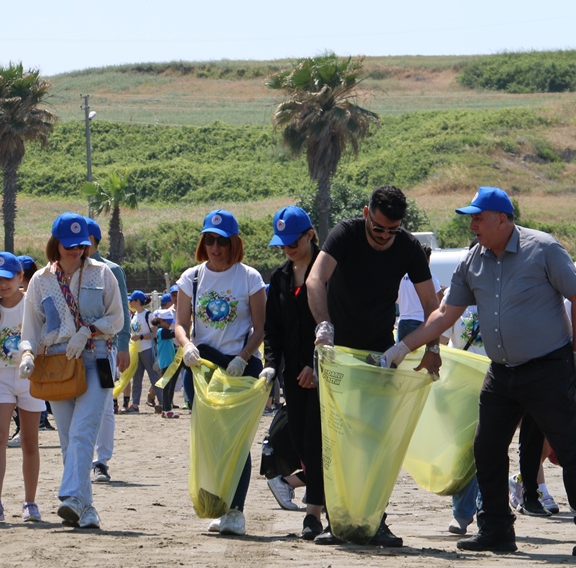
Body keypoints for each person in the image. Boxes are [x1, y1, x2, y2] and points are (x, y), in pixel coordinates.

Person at [390, 186, 576, 557]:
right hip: (501, 372)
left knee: (570, 448)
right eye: (471, 218)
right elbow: (446, 314)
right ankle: (496, 529)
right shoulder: (471, 261)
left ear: (503, 219)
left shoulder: (543, 249)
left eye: (478, 218)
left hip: (548, 369)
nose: (473, 225)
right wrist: (402, 347)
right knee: (486, 447)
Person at [307, 185, 440, 548]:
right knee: (336, 441)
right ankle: (337, 521)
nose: (383, 237)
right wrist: (324, 326)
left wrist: (432, 348)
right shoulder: (346, 234)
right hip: (337, 352)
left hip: (380, 356)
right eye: (378, 228)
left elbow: (433, 305)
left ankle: (375, 519)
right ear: (367, 214)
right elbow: (315, 279)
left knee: (375, 442)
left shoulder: (408, 247)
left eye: (391, 230)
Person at [18, 213, 125, 529]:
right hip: (55, 365)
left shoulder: (103, 273)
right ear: (55, 244)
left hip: (96, 359)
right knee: (68, 438)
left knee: (82, 431)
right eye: (69, 246)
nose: (76, 251)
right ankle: (85, 507)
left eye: (81, 245)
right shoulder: (40, 280)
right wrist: (26, 354)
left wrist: (88, 331)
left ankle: (68, 497)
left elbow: (117, 319)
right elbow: (31, 328)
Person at [174, 209, 267, 537]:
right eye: (210, 240)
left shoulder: (249, 278)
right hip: (202, 368)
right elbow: (180, 325)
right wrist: (186, 346)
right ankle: (220, 504)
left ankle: (236, 510)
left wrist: (243, 357)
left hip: (237, 367)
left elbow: (260, 327)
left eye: (222, 241)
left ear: (234, 244)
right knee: (209, 441)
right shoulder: (192, 277)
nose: (215, 247)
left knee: (235, 441)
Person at [263, 206, 326, 539]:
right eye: (283, 243)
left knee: (317, 443)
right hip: (293, 380)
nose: (288, 249)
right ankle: (322, 501)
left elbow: (336, 323)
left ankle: (313, 515)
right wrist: (270, 365)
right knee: (298, 441)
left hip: (326, 376)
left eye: (294, 241)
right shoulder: (280, 278)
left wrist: (316, 365)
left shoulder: (328, 272)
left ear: (310, 235)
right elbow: (272, 329)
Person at [0, 252, 44, 522]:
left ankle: (30, 502)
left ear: (20, 276)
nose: (2, 285)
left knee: (30, 442)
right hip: (2, 377)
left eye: (7, 278)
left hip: (31, 378)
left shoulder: (33, 303)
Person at [86, 217, 131, 482]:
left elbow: (122, 311)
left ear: (92, 240)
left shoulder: (111, 270)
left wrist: (123, 345)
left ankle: (101, 461)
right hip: (74, 348)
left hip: (106, 349)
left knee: (104, 404)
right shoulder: (66, 269)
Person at [124, 290, 163, 413]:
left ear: (137, 301)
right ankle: (135, 405)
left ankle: (162, 403)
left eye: (132, 300)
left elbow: (155, 333)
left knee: (154, 377)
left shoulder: (148, 315)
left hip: (147, 349)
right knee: (137, 378)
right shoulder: (133, 315)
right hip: (137, 351)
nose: (130, 303)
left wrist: (140, 337)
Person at [397, 243, 442, 341]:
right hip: (420, 322)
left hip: (403, 321)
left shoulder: (402, 277)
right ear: (427, 260)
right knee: (421, 355)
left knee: (402, 354)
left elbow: (396, 298)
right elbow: (440, 299)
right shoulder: (429, 278)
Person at [152, 295, 181, 419]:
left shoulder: (163, 331)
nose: (170, 325)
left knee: (169, 387)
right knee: (168, 387)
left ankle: (166, 409)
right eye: (169, 322)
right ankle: (167, 409)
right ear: (162, 321)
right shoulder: (162, 332)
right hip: (167, 362)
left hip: (168, 361)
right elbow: (175, 333)